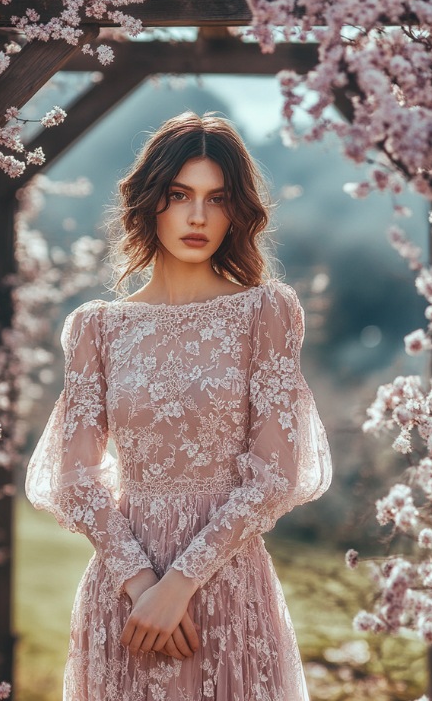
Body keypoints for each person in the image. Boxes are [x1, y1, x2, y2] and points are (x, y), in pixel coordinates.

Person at [25, 110, 332, 701]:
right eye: (179, 195)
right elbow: (77, 481)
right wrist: (144, 588)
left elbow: (274, 476)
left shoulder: (264, 314)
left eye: (216, 199)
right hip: (123, 594)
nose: (198, 216)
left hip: (225, 582)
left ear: (236, 211)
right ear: (151, 203)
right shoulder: (97, 328)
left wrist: (179, 585)